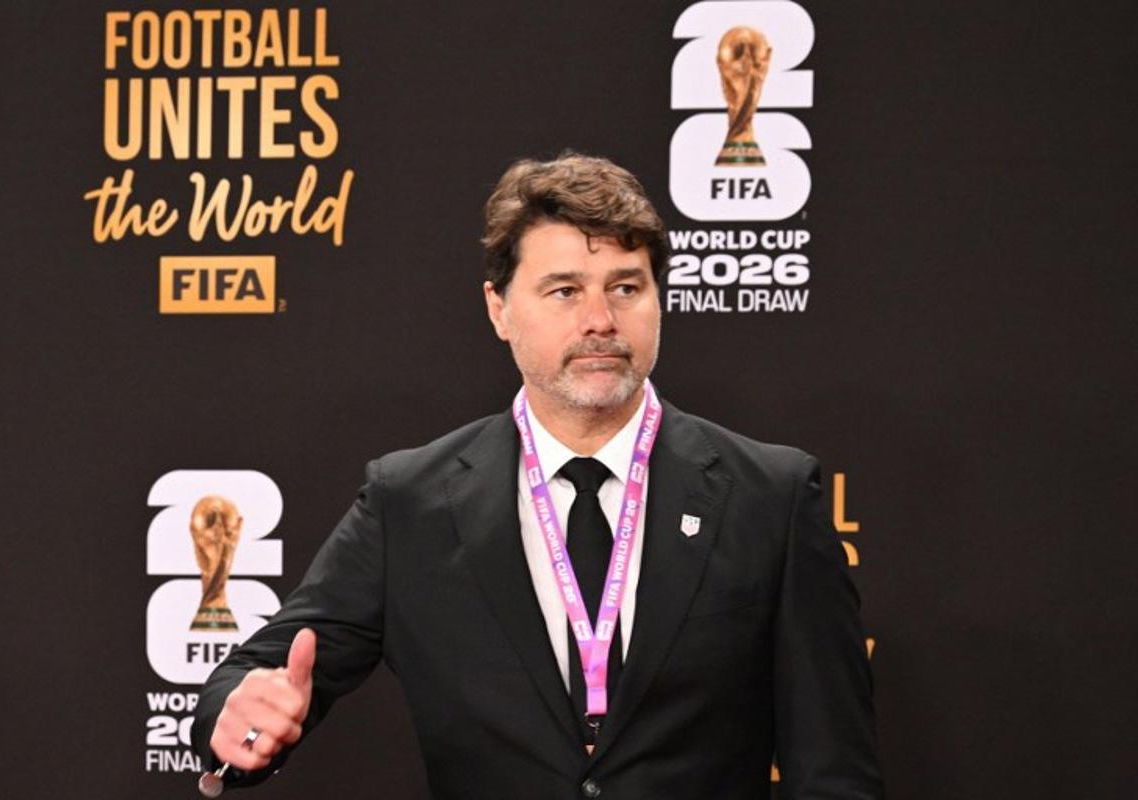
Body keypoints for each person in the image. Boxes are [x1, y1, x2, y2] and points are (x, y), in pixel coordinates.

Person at [191, 152, 884, 799]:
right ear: (499, 309)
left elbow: (834, 771)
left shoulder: (772, 496)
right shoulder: (410, 504)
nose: (600, 320)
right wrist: (239, 718)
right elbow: (256, 677)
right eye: (563, 291)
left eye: (626, 287)